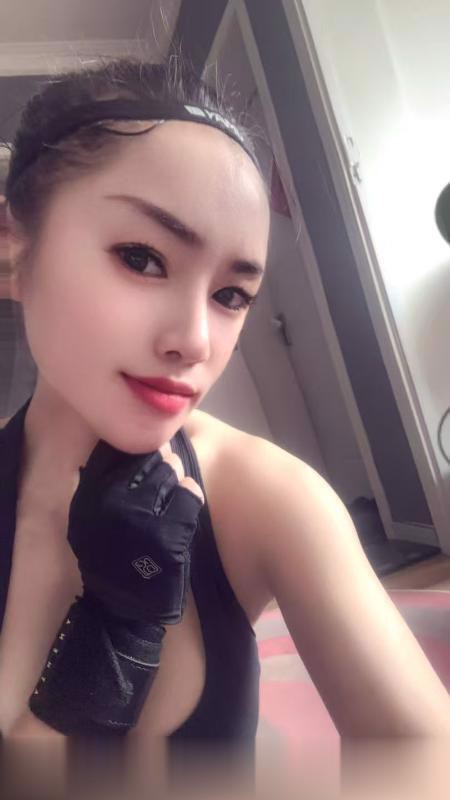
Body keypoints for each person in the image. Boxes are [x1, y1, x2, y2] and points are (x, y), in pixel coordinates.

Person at [0, 53, 450, 791]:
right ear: (16, 246)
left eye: (231, 296)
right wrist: (111, 643)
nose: (195, 341)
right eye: (142, 258)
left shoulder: (269, 498)